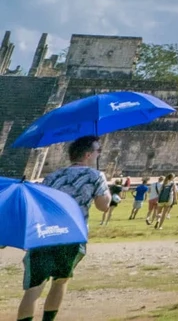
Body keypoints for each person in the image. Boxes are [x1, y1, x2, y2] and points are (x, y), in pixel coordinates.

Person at [17, 136, 110, 321]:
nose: (99, 154)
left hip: (45, 235)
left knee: (34, 287)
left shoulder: (52, 176)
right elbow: (103, 205)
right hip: (71, 236)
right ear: (88, 154)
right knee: (60, 281)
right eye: (98, 151)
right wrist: (110, 194)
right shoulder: (95, 176)